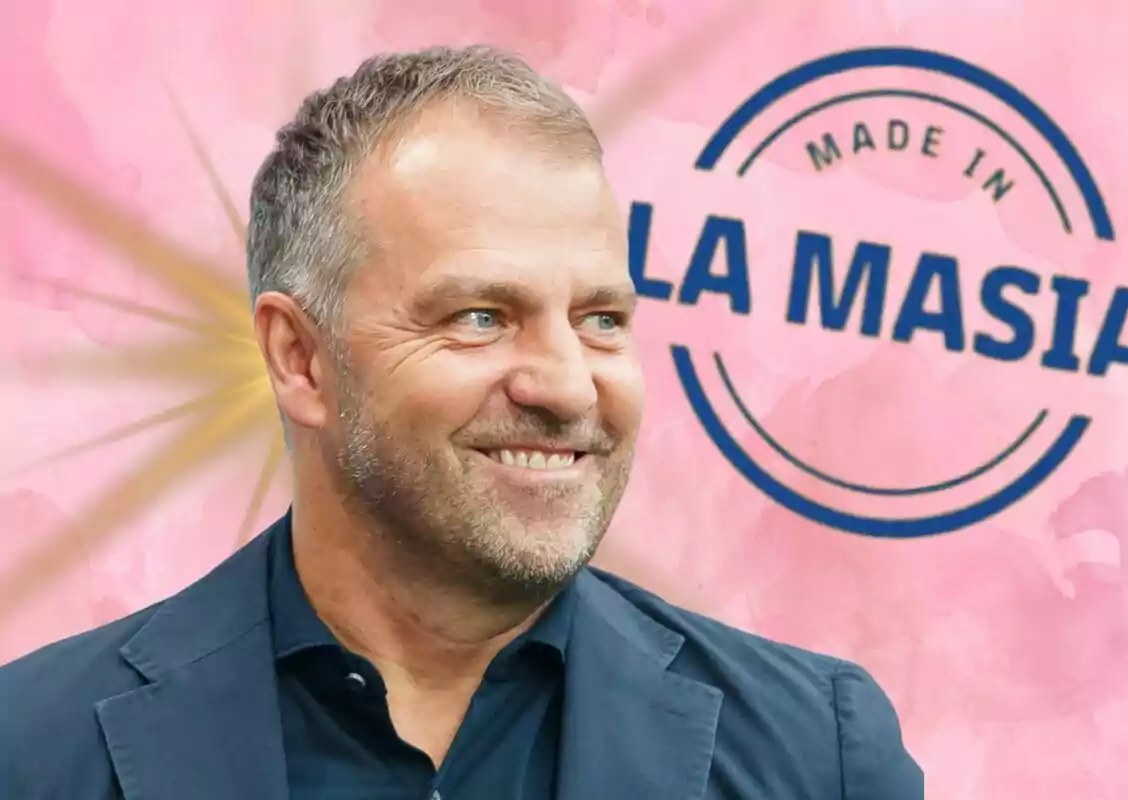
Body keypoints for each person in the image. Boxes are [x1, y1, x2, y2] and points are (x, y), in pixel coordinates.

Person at [0, 45, 922, 799]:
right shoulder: (33, 751)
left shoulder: (818, 756)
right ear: (300, 359)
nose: (566, 385)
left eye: (601, 319)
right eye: (480, 316)